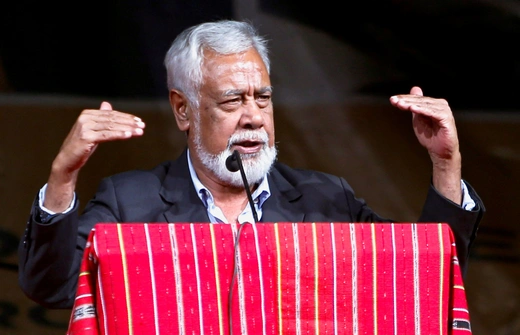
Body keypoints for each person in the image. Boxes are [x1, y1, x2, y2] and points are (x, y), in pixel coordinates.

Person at [18, 20, 484, 309]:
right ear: (183, 110)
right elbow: (54, 289)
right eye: (232, 100)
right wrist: (63, 178)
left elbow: (421, 283)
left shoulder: (327, 200)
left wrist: (445, 166)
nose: (254, 117)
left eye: (263, 98)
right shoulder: (129, 202)